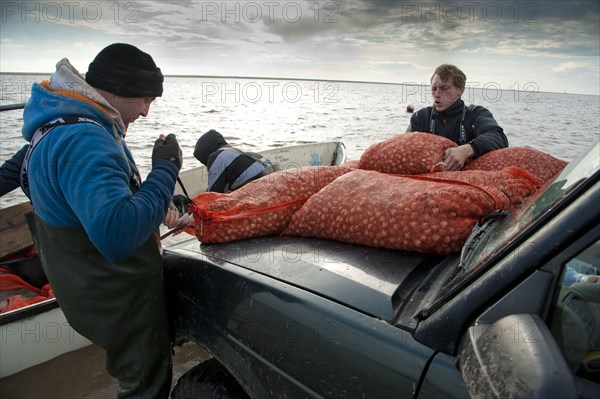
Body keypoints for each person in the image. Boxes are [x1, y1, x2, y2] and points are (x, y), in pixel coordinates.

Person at [21, 43, 181, 398]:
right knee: (144, 383)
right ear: (123, 90)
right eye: (146, 100)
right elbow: (117, 235)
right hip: (117, 295)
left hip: (81, 287)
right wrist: (165, 169)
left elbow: (14, 173)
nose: (146, 112)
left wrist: (155, 201)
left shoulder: (57, 121)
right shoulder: (87, 139)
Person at [407, 64, 508, 170]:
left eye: (444, 88)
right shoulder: (420, 118)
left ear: (460, 90)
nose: (437, 94)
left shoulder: (476, 114)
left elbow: (498, 137)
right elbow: (406, 148)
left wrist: (467, 150)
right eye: (434, 88)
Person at [193, 129, 277, 193]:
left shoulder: (215, 156)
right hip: (277, 182)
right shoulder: (238, 151)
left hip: (262, 190)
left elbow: (212, 196)